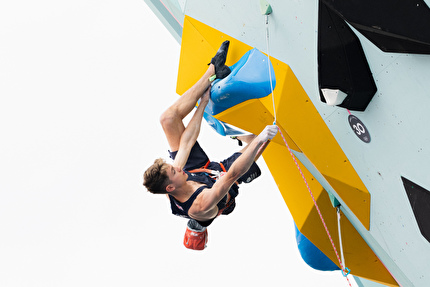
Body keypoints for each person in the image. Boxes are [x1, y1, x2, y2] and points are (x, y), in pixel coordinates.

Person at [143, 41, 278, 249]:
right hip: (221, 182)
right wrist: (260, 138)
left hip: (199, 172)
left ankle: (213, 68)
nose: (176, 166)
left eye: (172, 166)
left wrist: (204, 101)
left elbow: (186, 142)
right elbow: (232, 175)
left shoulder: (176, 175)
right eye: (173, 170)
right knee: (262, 139)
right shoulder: (199, 206)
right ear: (170, 186)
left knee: (167, 120)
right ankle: (240, 136)